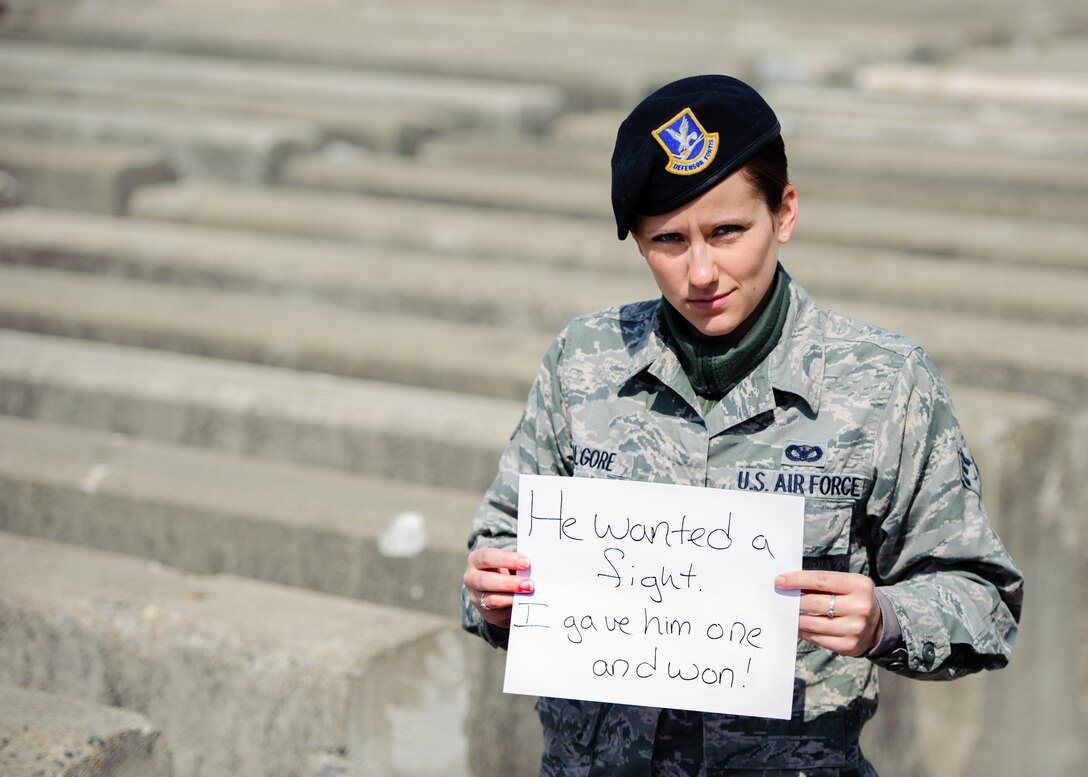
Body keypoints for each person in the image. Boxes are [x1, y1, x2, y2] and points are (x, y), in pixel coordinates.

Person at [461, 74, 1023, 777]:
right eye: (668, 239)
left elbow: (982, 600)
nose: (702, 271)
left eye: (728, 231)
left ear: (784, 212)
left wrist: (885, 617)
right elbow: (499, 546)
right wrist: (494, 592)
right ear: (637, 242)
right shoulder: (585, 362)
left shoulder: (884, 384)